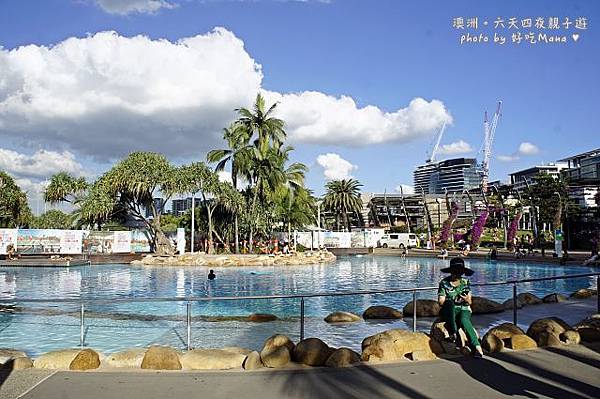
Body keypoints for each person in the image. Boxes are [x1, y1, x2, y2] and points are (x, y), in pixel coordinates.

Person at [438, 258, 484, 358]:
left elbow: (470, 301)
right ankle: (454, 333)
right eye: (455, 272)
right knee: (451, 307)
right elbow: (441, 301)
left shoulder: (465, 282)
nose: (457, 275)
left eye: (459, 273)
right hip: (450, 308)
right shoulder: (444, 283)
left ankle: (477, 347)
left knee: (463, 319)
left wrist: (466, 299)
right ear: (451, 271)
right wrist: (452, 300)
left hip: (464, 307)